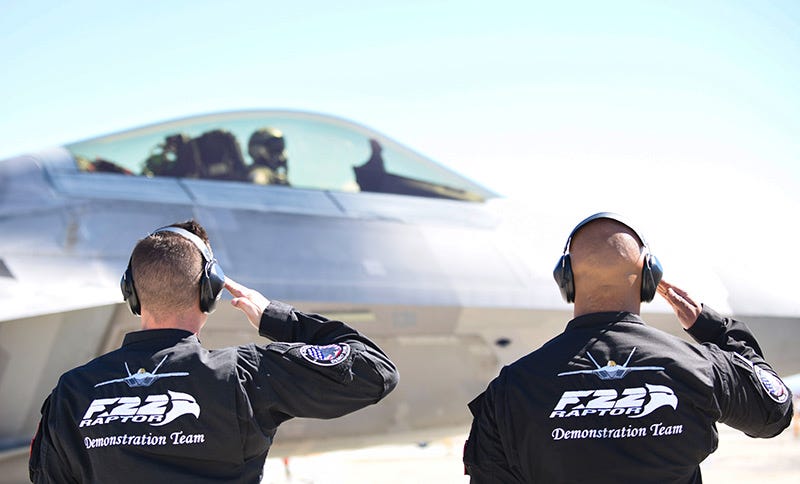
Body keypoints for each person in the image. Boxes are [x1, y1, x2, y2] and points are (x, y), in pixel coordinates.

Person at [29, 220, 399, 483]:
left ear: (133, 294)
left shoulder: (72, 393)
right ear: (209, 291)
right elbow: (373, 371)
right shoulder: (242, 376)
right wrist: (275, 318)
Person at [463, 212, 793, 483]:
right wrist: (713, 329)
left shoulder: (510, 389)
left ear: (566, 280)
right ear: (650, 278)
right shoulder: (701, 367)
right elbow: (772, 413)